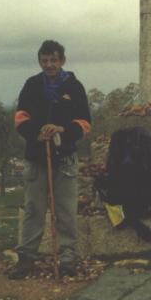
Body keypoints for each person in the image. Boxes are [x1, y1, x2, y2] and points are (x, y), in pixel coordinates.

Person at [9, 40, 91, 279]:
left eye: (54, 60)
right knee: (34, 208)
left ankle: (67, 258)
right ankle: (26, 258)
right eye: (45, 61)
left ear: (62, 60)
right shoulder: (32, 85)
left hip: (64, 158)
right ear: (40, 61)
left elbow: (85, 123)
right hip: (36, 157)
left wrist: (62, 129)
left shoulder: (74, 87)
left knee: (65, 209)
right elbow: (20, 119)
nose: (49, 65)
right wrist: (40, 130)